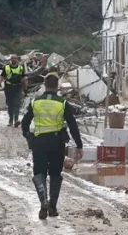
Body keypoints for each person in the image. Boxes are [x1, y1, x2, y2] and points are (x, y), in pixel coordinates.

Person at [21, 73, 83, 220]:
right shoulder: (62, 103)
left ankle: (43, 201)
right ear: (57, 86)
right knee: (55, 174)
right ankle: (53, 207)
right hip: (56, 143)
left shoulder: (35, 102)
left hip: (39, 143)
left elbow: (24, 123)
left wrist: (28, 136)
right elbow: (73, 125)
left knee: (39, 173)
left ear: (44, 84)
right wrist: (79, 145)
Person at [0, 54, 27, 127]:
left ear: (17, 59)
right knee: (10, 104)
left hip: (18, 87)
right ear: (10, 60)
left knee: (17, 103)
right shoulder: (6, 68)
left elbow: (23, 79)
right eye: (12, 58)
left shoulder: (21, 68)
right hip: (9, 88)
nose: (14, 59)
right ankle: (11, 120)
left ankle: (16, 120)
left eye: (15, 58)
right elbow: (2, 76)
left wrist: (25, 88)